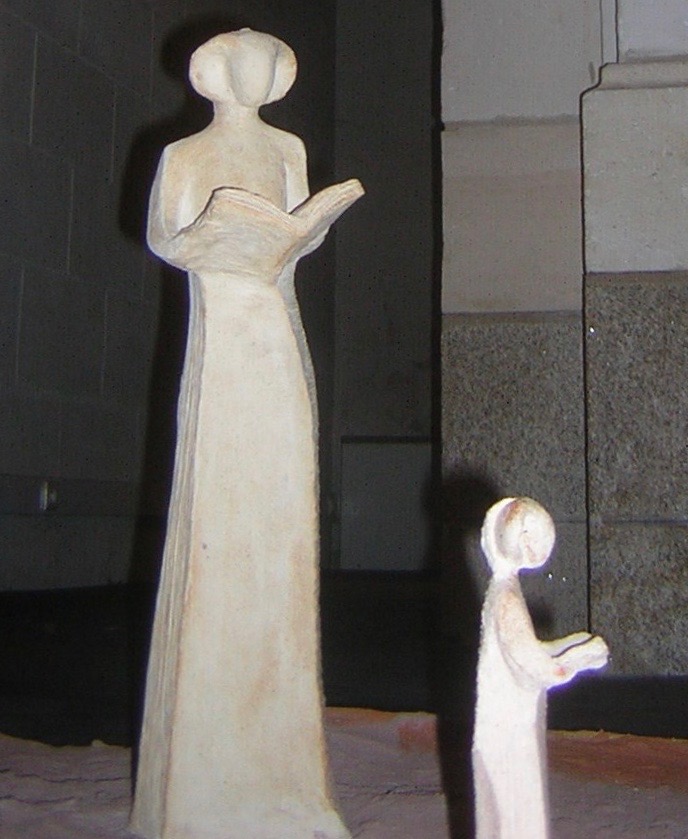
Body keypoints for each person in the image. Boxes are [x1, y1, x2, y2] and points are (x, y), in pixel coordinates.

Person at [131, 30, 361, 839]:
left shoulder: (288, 148)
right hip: (223, 331)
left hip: (275, 325)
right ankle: (197, 791)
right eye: (247, 62)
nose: (258, 73)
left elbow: (298, 235)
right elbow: (164, 236)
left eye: (270, 64)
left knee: (278, 519)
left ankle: (287, 783)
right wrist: (210, 237)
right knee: (218, 515)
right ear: (218, 73)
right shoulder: (185, 153)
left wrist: (300, 231)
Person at [472, 497, 609, 839]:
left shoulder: (504, 590)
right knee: (515, 815)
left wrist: (569, 645)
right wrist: (582, 658)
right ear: (523, 539)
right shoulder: (506, 599)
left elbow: (527, 652)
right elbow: (538, 669)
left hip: (510, 725)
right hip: (508, 731)